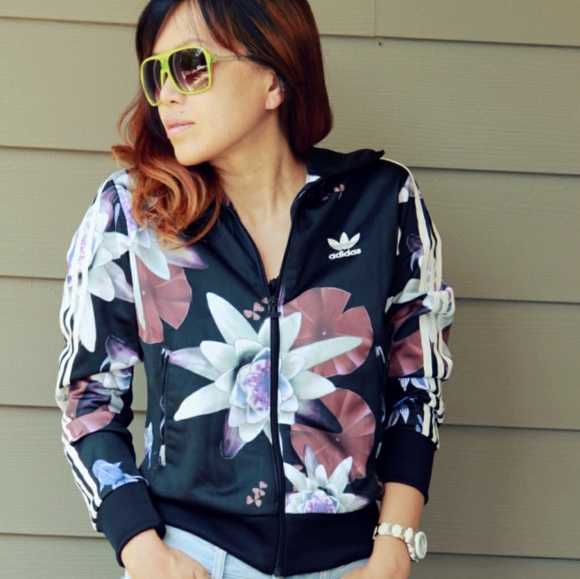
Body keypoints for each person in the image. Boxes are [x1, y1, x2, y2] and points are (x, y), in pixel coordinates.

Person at [56, 1, 455, 578]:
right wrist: (140, 546)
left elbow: (417, 384)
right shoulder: (133, 214)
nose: (167, 94)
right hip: (190, 556)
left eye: (191, 67)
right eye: (156, 73)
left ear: (274, 79)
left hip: (349, 562)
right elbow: (87, 396)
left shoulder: (382, 203)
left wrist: (394, 544)